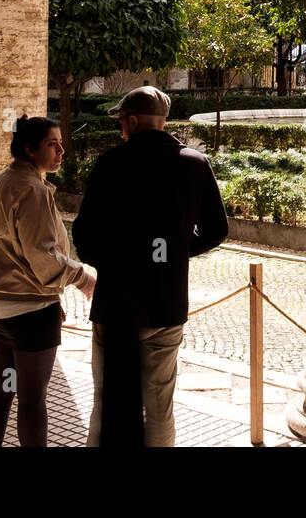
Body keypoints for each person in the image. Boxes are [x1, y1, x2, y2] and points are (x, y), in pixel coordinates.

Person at [72, 86, 228, 447]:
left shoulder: (111, 163)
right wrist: (174, 251)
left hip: (115, 305)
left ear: (131, 121)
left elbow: (83, 234)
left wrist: (115, 260)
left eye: (121, 125)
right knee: (159, 408)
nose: (120, 132)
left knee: (108, 404)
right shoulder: (194, 164)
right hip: (166, 303)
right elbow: (217, 230)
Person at [0, 115, 95, 447]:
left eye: (60, 142)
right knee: (31, 400)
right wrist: (83, 277)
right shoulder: (32, 190)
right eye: (51, 144)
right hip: (29, 312)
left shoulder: (4, 179)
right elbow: (43, 256)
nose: (61, 150)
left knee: (2, 390)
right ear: (29, 150)